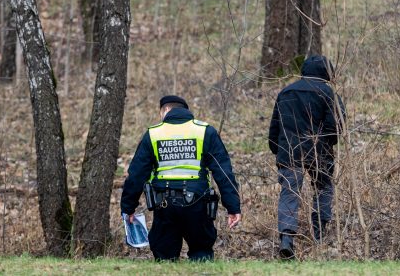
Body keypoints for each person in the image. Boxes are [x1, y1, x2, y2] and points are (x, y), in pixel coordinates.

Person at [121, 95, 241, 261]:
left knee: (165, 259)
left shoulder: (153, 134)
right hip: (198, 205)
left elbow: (136, 175)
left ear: (167, 110)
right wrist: (233, 207)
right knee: (201, 255)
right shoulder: (205, 131)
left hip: (164, 206)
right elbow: (223, 172)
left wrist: (128, 208)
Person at [268, 55, 346, 260]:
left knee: (290, 193)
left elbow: (275, 126)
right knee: (323, 188)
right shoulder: (328, 93)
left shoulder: (286, 92)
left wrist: (278, 149)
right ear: (328, 73)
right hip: (319, 152)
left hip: (289, 151)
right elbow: (336, 126)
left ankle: (287, 240)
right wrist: (326, 143)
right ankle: (320, 235)